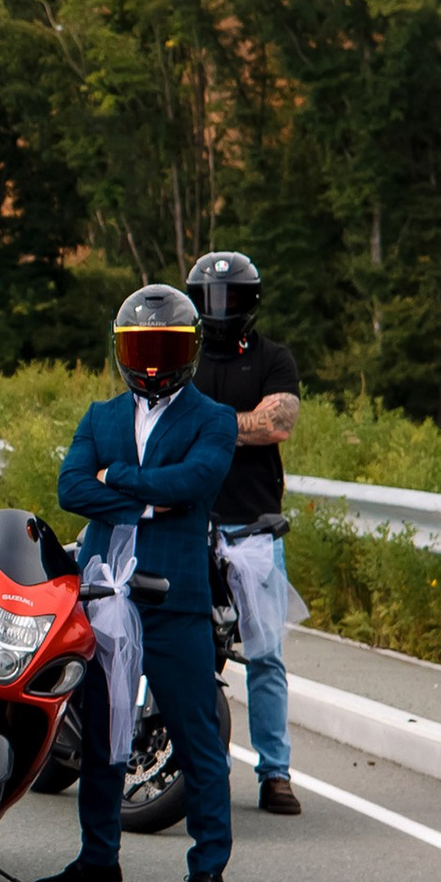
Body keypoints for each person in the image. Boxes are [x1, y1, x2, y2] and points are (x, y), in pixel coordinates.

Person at [36, 284, 239, 882]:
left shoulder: (214, 418)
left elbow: (196, 482)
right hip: (103, 593)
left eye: (164, 349)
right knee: (102, 730)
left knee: (195, 735)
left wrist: (116, 478)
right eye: (139, 349)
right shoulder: (101, 415)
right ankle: (99, 858)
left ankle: (209, 868)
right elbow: (71, 488)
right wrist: (151, 499)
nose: (151, 364)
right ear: (121, 350)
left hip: (175, 599)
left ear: (189, 351)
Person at [185, 248, 304, 818]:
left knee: (266, 654)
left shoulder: (273, 358)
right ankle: (173, 760)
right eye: (210, 297)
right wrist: (236, 424)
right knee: (175, 643)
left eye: (229, 297)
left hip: (254, 527)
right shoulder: (183, 355)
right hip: (188, 522)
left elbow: (277, 422)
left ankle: (275, 773)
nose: (219, 307)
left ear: (250, 301)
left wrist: (204, 425)